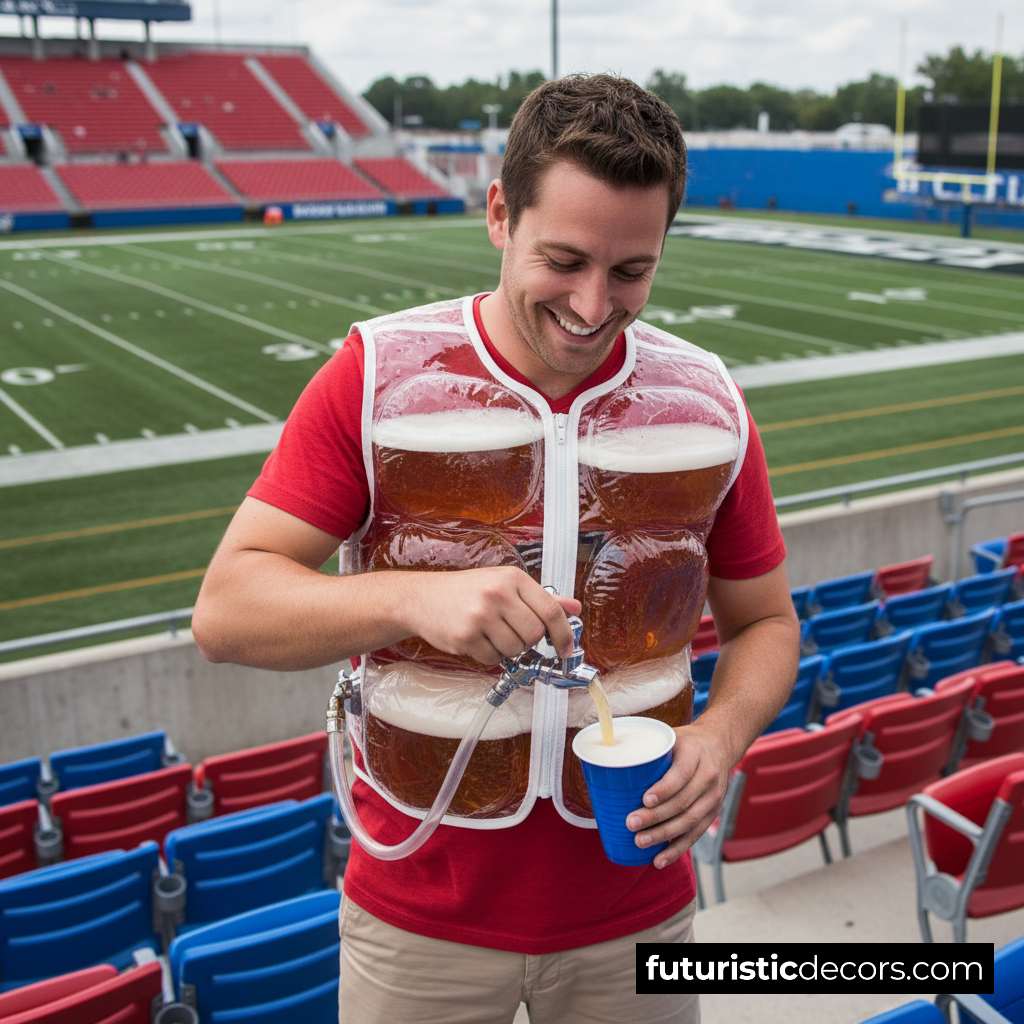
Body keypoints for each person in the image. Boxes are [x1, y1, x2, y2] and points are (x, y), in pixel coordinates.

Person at [193, 73, 800, 1024]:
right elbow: (226, 612)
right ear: (498, 217)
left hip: (640, 912)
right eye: (564, 259)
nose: (595, 306)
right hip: (419, 921)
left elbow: (765, 620)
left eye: (632, 270)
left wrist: (720, 739)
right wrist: (407, 599)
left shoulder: (709, 400)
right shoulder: (377, 374)